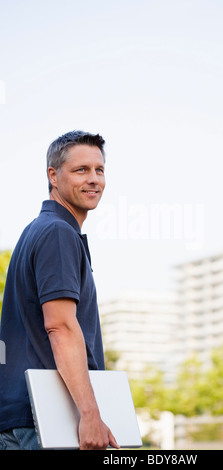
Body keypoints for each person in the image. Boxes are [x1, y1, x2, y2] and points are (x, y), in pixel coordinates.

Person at [0, 130, 119, 450]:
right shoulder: (57, 233)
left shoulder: (37, 230)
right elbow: (61, 326)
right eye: (81, 170)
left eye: (99, 170)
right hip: (47, 421)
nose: (94, 179)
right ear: (53, 175)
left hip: (23, 418)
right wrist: (91, 414)